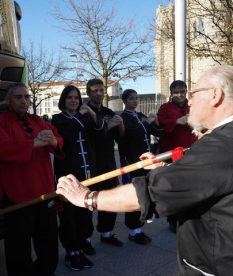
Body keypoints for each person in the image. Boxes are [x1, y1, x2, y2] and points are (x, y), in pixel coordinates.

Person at [56, 65, 233, 276]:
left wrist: (86, 197)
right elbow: (219, 178)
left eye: (194, 94)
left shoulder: (225, 144)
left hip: (228, 266)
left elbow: (146, 194)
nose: (190, 102)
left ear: (215, 95)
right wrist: (169, 169)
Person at [0, 83, 64, 276]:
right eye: (18, 97)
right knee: (18, 245)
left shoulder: (37, 120)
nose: (24, 101)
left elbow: (57, 138)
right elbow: (0, 149)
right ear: (7, 100)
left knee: (48, 238)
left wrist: (53, 140)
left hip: (44, 190)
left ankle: (45, 272)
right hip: (17, 193)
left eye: (27, 97)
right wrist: (33, 144)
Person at [51, 85, 104, 271]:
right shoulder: (58, 119)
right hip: (68, 175)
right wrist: (83, 117)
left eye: (76, 97)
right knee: (68, 217)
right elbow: (70, 134)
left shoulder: (85, 117)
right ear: (63, 101)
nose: (73, 100)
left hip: (87, 173)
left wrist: (92, 115)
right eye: (69, 98)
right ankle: (70, 252)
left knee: (84, 214)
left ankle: (79, 249)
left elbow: (100, 133)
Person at [83, 78, 125, 254]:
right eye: (95, 91)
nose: (99, 93)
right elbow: (93, 137)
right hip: (91, 163)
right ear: (88, 93)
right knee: (87, 202)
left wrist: (120, 125)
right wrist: (108, 126)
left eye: (101, 90)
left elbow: (120, 138)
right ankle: (84, 238)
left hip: (109, 162)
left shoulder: (108, 111)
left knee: (110, 198)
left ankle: (106, 233)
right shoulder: (83, 111)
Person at [118, 89, 163, 244]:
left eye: (136, 98)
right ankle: (133, 230)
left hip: (145, 161)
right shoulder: (124, 117)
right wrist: (146, 123)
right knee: (135, 194)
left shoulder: (140, 116)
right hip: (132, 162)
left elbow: (156, 130)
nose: (135, 101)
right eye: (131, 98)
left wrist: (155, 121)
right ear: (125, 101)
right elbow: (133, 133)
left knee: (143, 194)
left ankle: (139, 228)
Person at [156, 80, 198, 233]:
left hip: (191, 149)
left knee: (191, 184)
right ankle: (173, 219)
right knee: (172, 186)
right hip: (171, 151)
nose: (180, 94)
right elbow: (159, 122)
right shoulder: (165, 107)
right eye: (177, 91)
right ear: (171, 93)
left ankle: (189, 216)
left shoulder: (193, 104)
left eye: (183, 91)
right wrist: (176, 121)